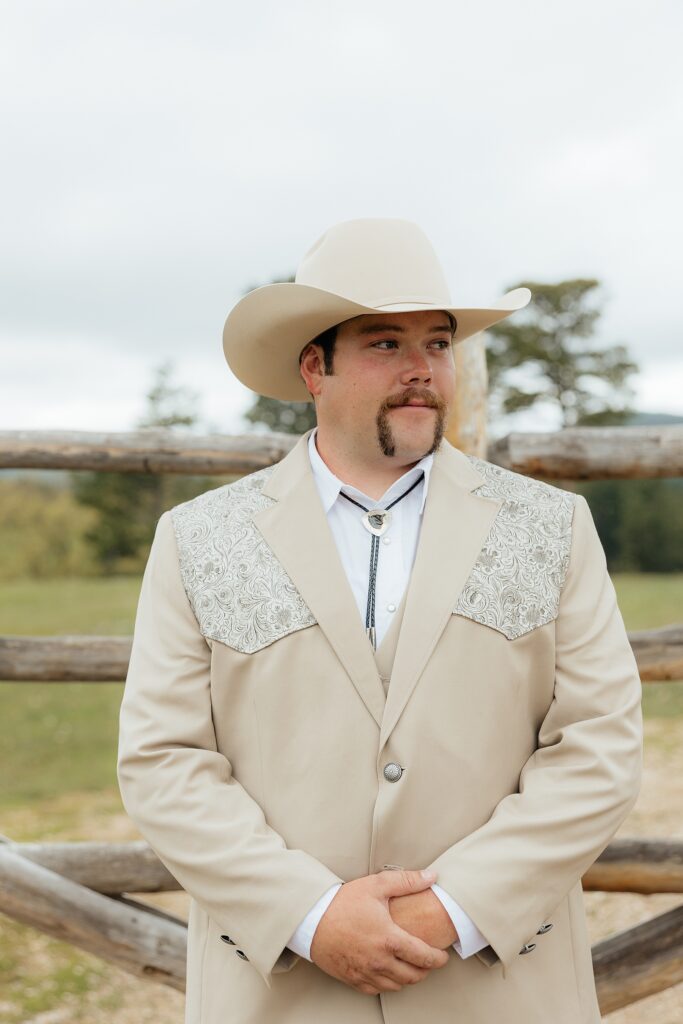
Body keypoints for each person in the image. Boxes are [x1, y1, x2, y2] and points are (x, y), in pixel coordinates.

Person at [117, 218, 643, 1024]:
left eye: (437, 343)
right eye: (384, 344)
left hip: (498, 987)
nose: (422, 370)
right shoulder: (198, 538)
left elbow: (598, 746)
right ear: (312, 367)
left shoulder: (551, 526)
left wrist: (456, 907)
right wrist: (309, 915)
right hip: (281, 992)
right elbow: (164, 761)